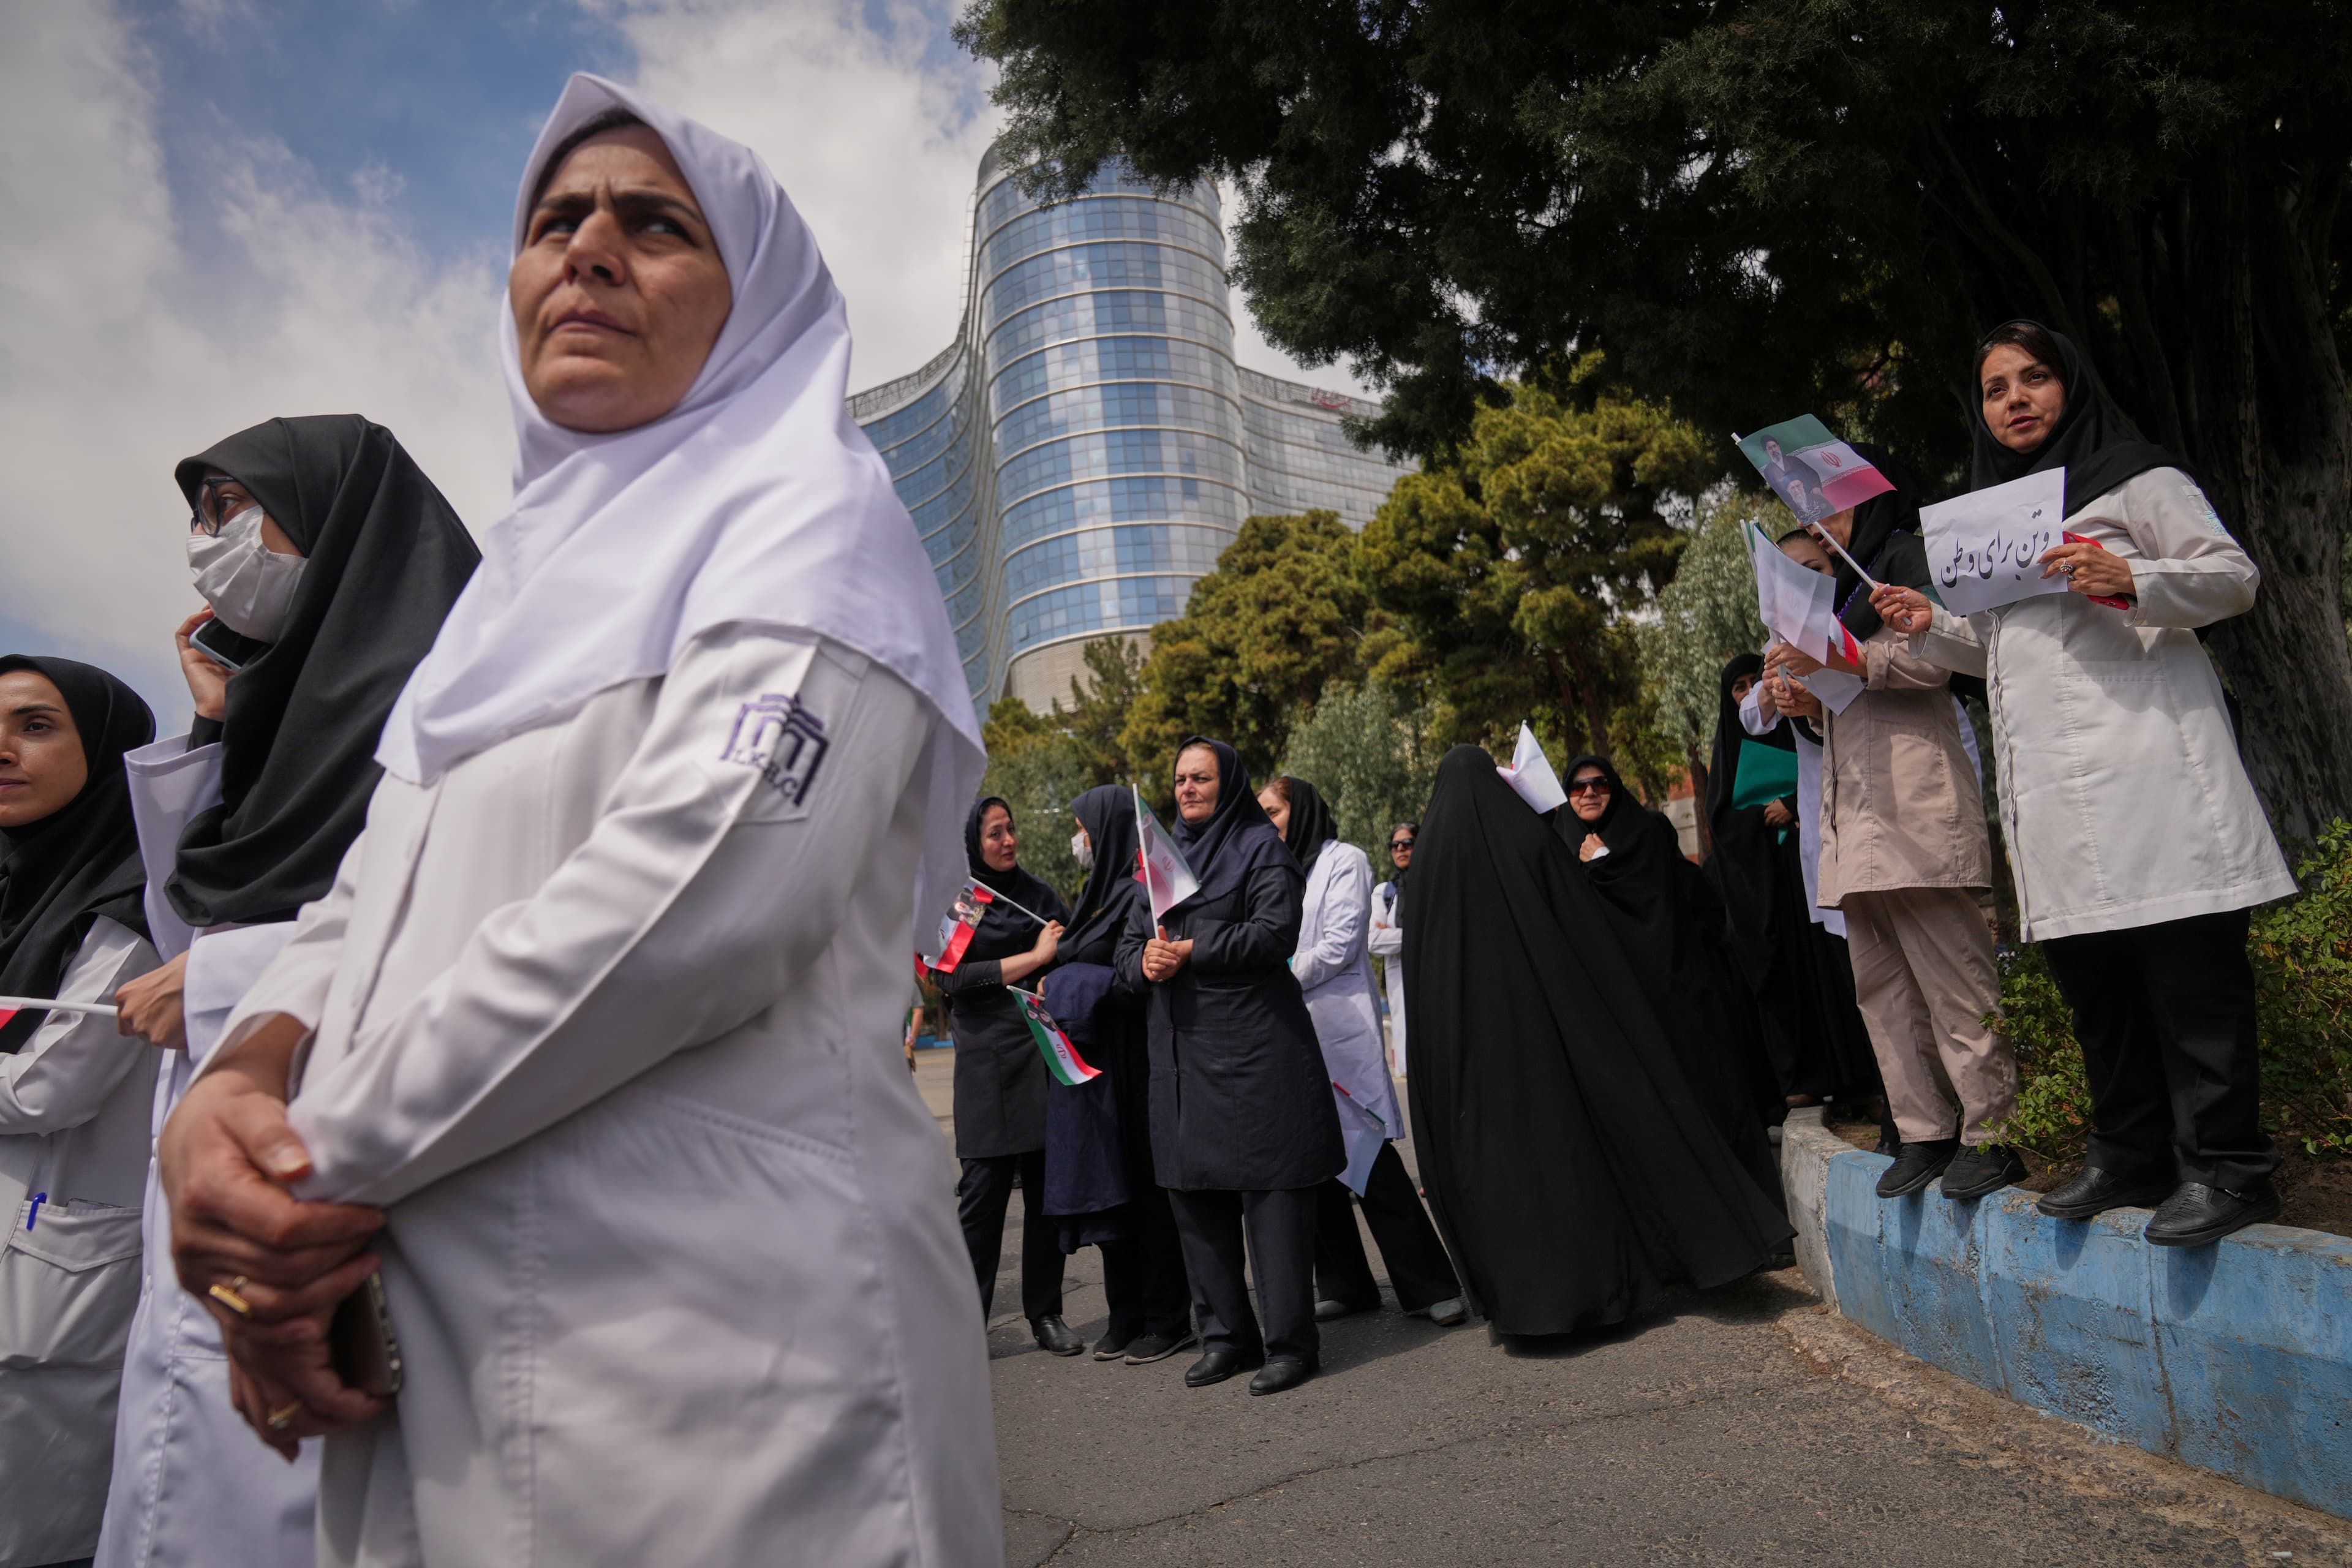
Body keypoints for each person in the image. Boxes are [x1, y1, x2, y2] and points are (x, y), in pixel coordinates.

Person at [150, 77, 1003, 1564]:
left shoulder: (809, 516)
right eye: (555, 221)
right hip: (448, 1349)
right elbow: (367, 901)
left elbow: (697, 901)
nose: (588, 248)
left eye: (655, 224)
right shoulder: (504, 603)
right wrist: (240, 1075)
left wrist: (289, 1186)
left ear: (755, 304)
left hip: (720, 1363)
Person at [99, 414, 479, 1568]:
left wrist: (224, 983)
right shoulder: (282, 723)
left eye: (232, 510)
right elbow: (197, 923)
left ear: (338, 519)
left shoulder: (450, 708)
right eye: (199, 516)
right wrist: (219, 724)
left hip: (352, 1177)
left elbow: (451, 926)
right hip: (225, 1162)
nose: (207, 543)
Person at [1874, 319, 2298, 1246]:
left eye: (2034, 378)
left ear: (2071, 386)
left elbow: (2232, 577)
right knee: (2098, 989)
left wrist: (2128, 573)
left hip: (2151, 767)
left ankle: (2231, 1169)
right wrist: (1931, 622)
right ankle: (2131, 1153)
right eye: (1995, 389)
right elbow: (2003, 647)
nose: (2016, 400)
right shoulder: (1995, 520)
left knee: (2190, 980)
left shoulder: (2137, 478)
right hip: (2055, 796)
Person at [1406, 747, 1794, 1336]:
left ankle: (1528, 1310)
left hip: (1470, 1065)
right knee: (1566, 1158)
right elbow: (1580, 931)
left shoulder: (1426, 869)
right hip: (1544, 1041)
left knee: (1502, 1173)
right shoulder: (1526, 843)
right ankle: (1600, 1295)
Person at [1768, 454, 2021, 1201]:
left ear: (1870, 499)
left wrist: (1842, 658)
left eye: (1831, 507)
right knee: (1881, 988)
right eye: (1810, 511)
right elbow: (1845, 704)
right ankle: (1923, 1130)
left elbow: (1943, 661)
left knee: (1954, 976)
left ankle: (1994, 1133)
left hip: (1915, 802)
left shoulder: (1908, 559)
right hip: (1854, 816)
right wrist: (1806, 699)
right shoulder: (1841, 593)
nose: (1820, 522)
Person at [1117, 739, 1341, 1395]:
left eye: (1201, 778)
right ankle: (1224, 1338)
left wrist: (1194, 948)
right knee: (1194, 1200)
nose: (1187, 788)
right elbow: (1127, 948)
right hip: (1182, 1060)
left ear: (1229, 783)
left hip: (1254, 1054)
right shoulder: (1159, 860)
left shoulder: (1259, 849)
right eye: (1180, 779)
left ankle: (1290, 1345)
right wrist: (1144, 962)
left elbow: (1275, 933)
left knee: (1272, 1202)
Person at [0, 658, 161, 1567]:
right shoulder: (13, 886)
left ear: (103, 749)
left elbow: (45, 1086)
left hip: (48, 1276)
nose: (2, 750)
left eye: (35, 726)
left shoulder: (131, 900)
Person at [1255, 778, 1463, 1329]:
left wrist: (1270, 975)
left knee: (1368, 1157)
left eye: (1272, 811)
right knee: (1312, 1160)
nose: (1265, 822)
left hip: (1336, 1028)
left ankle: (1431, 1285)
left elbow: (1341, 944)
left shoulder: (1343, 860)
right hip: (1285, 1031)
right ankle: (1346, 1285)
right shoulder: (1269, 868)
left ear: (1300, 811)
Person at [1556, 756, 1783, 1197]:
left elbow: (1659, 907)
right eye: (1578, 787)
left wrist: (1604, 867)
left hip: (1674, 991)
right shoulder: (1560, 846)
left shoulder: (1646, 832)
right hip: (1613, 1010)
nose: (1590, 793)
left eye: (1600, 783)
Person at [1045, 784, 1194, 1365]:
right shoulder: (1094, 897)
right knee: (1111, 1191)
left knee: (1146, 1192)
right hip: (1094, 1071)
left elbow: (1135, 975)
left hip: (1134, 1064)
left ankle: (1167, 1317)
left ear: (1106, 831)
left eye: (1083, 829)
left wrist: (1063, 982)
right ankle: (1125, 1314)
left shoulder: (1140, 895)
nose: (1078, 839)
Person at [1704, 655, 1882, 1116]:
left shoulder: (1803, 724)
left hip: (1816, 871)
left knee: (1838, 972)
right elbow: (1723, 824)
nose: (1749, 692)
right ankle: (1805, 1078)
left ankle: (1860, 1077)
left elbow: (1829, 774)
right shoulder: (1730, 749)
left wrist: (1793, 803)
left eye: (1755, 681)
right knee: (1787, 981)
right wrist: (1761, 819)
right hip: (1770, 891)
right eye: (1739, 687)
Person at [938, 796, 1083, 1354]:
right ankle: (965, 1323)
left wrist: (1056, 973)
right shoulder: (966, 900)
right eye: (994, 833)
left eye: (1011, 829)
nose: (1008, 841)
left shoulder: (1038, 895)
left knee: (1046, 1193)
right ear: (973, 844)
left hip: (1040, 1050)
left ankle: (1046, 1312)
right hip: (985, 1059)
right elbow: (953, 980)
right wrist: (1034, 959)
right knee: (983, 1194)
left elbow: (1070, 952)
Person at [1367, 823, 1414, 1079]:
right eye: (1394, 846)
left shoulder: (1435, 886)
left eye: (1407, 844)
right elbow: (1374, 941)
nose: (1400, 850)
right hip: (1400, 984)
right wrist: (1418, 932)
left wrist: (1394, 933)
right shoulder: (1385, 892)